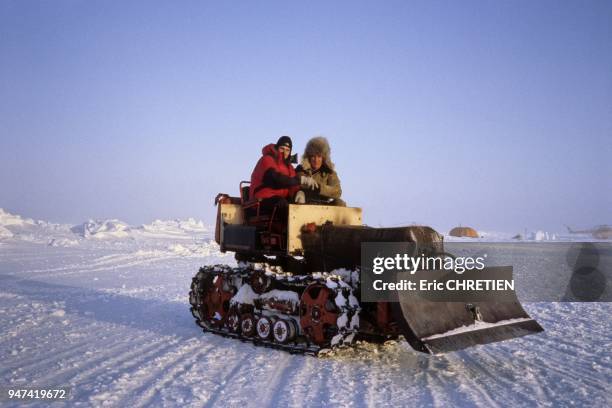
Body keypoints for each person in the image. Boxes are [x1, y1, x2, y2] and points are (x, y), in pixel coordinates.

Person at [249, 136, 318, 219]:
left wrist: (299, 192)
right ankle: (287, 231)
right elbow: (276, 179)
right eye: (282, 148)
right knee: (283, 205)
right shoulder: (267, 160)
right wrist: (300, 180)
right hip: (262, 200)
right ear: (277, 148)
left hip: (280, 198)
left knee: (303, 206)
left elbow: (293, 185)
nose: (284, 152)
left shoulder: (289, 167)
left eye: (287, 150)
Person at [295, 136, 346, 206]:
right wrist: (305, 183)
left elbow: (337, 191)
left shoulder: (329, 172)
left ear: (324, 158)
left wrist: (319, 188)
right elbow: (298, 177)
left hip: (323, 205)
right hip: (305, 204)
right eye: (313, 156)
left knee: (339, 203)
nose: (316, 160)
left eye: (319, 156)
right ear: (309, 157)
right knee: (299, 198)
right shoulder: (301, 169)